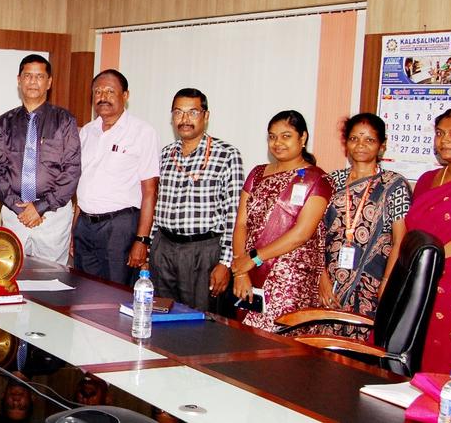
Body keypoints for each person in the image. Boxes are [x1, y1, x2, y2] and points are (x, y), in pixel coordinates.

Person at [230, 110, 331, 332]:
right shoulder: (257, 173)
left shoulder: (318, 179)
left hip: (290, 280)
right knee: (244, 342)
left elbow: (301, 234)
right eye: (272, 136)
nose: (277, 143)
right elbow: (241, 224)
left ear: (302, 138)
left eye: (286, 136)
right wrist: (240, 270)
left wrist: (253, 259)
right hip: (249, 275)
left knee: (281, 350)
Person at [315, 113, 410, 340]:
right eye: (355, 138)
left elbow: (400, 239)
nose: (360, 145)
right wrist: (321, 277)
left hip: (372, 279)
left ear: (382, 146)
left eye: (369, 140)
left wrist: (386, 284)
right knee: (322, 348)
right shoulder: (331, 181)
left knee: (361, 354)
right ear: (346, 143)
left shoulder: (395, 185)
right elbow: (315, 234)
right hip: (329, 277)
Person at [150, 88, 243, 312]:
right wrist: (150, 248)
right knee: (161, 315)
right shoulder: (164, 154)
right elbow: (156, 203)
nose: (185, 119)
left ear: (206, 116)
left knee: (200, 321)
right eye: (178, 113)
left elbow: (234, 213)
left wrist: (225, 263)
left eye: (192, 112)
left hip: (203, 251)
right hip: (164, 249)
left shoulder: (227, 154)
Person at [404, 106, 451, 374]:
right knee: (411, 361)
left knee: (450, 371)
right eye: (440, 133)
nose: (445, 140)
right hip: (418, 282)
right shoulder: (427, 180)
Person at [0, 55, 81, 264]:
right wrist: (20, 207)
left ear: (49, 82)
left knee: (52, 278)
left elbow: (72, 171)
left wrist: (39, 207)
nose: (33, 81)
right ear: (19, 80)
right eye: (28, 76)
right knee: (12, 273)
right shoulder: (4, 122)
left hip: (53, 216)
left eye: (39, 76)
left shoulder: (65, 121)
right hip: (15, 214)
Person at [75, 69, 160, 285]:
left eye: (110, 91)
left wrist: (142, 240)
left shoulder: (142, 132)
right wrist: (74, 229)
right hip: (85, 225)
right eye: (97, 92)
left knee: (115, 295)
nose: (102, 97)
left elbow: (150, 192)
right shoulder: (86, 132)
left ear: (125, 96)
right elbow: (82, 184)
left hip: (119, 227)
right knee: (83, 292)